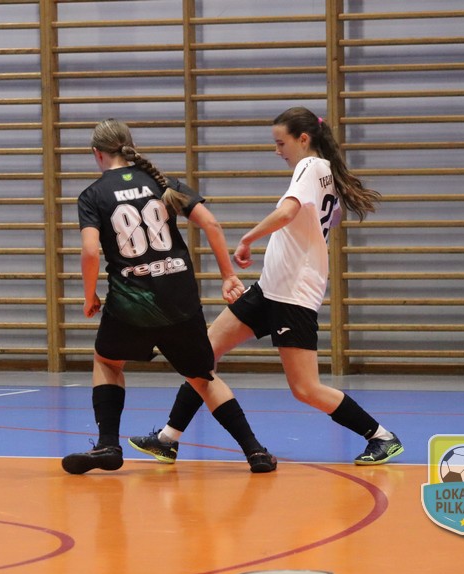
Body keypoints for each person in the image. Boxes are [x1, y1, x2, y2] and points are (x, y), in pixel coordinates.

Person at [128, 106, 404, 466]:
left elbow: (288, 212)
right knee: (202, 355)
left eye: (281, 143)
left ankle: (381, 436)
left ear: (303, 139)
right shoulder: (325, 173)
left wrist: (248, 238)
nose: (277, 151)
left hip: (292, 296)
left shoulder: (311, 166)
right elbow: (321, 220)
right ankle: (168, 439)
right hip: (268, 290)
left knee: (305, 389)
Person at [61, 118, 277, 475]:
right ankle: (255, 452)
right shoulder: (162, 183)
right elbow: (212, 224)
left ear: (97, 153)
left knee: (108, 362)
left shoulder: (93, 195)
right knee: (203, 378)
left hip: (131, 304)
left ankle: (108, 444)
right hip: (180, 301)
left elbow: (89, 251)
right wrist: (228, 275)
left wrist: (89, 296)